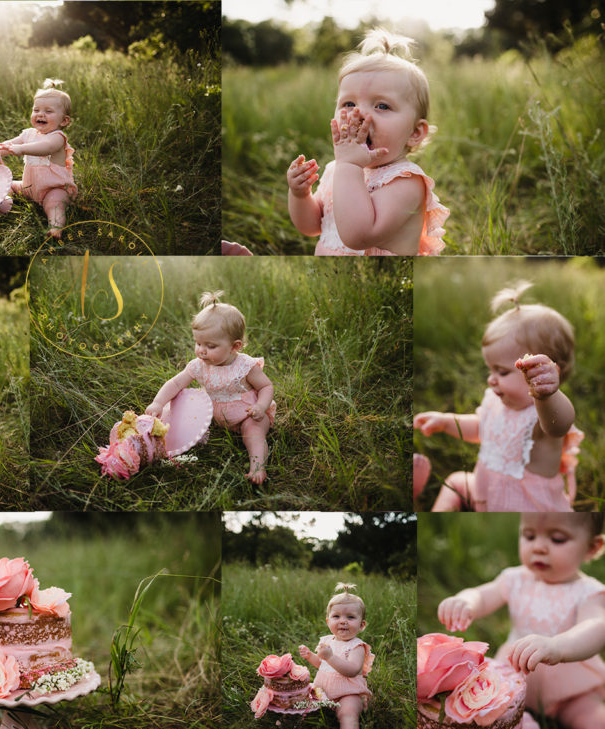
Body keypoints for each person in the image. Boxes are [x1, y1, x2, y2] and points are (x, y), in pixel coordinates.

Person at [438, 511, 605, 729]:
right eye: (529, 536)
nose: (538, 547)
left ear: (592, 548)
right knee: (476, 713)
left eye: (557, 539)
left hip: (570, 689)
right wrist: (466, 601)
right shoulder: (515, 579)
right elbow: (485, 594)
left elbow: (595, 628)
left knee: (599, 725)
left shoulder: (589, 592)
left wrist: (556, 646)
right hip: (513, 674)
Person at [414, 281, 583, 511]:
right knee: (455, 481)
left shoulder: (544, 414)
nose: (491, 379)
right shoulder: (496, 400)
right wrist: (446, 421)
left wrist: (547, 395)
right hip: (485, 489)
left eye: (502, 371)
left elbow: (559, 425)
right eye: (490, 369)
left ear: (547, 373)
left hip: (524, 506)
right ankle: (421, 501)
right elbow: (481, 427)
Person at [286, 29, 448, 256]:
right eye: (348, 104)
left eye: (382, 106)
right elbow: (312, 227)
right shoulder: (337, 170)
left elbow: (358, 236)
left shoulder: (405, 182)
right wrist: (300, 195)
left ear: (414, 132)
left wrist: (349, 166)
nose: (358, 114)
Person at [144, 291, 275, 484]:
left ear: (235, 346)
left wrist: (261, 407)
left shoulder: (245, 366)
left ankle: (257, 467)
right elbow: (176, 383)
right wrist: (158, 402)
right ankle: (164, 448)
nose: (201, 350)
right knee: (180, 420)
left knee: (253, 434)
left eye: (211, 346)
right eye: (198, 343)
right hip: (214, 414)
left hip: (249, 414)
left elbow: (266, 386)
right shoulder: (198, 365)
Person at [0, 79, 77, 238]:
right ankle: (2, 202)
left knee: (55, 203)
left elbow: (44, 148)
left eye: (48, 111)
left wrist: (20, 149)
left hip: (54, 188)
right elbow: (10, 144)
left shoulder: (57, 138)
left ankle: (55, 228)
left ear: (64, 120)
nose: (40, 114)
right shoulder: (28, 134)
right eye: (36, 110)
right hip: (29, 187)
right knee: (9, 185)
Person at [299, 583, 374, 729]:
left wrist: (331, 657)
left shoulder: (357, 646)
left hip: (348, 692)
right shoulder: (325, 641)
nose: (343, 622)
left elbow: (353, 671)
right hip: (323, 690)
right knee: (304, 702)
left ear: (362, 625)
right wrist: (310, 656)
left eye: (350, 617)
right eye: (336, 617)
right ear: (328, 621)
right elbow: (322, 665)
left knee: (348, 713)